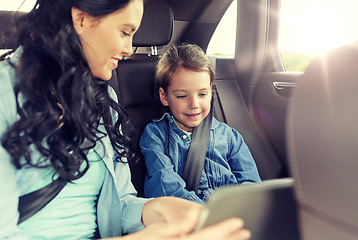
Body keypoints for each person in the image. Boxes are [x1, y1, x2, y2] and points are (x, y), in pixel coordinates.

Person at [0, 0, 252, 239]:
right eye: (124, 32)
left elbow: (119, 201)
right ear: (82, 19)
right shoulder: (5, 95)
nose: (129, 48)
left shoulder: (101, 100)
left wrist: (158, 210)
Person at [140, 43, 261, 204]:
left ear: (211, 91)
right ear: (164, 97)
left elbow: (251, 184)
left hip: (232, 213)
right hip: (186, 215)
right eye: (182, 96)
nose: (194, 104)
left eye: (202, 94)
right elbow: (164, 186)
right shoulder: (156, 135)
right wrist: (205, 214)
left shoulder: (229, 137)